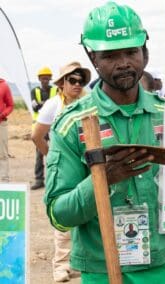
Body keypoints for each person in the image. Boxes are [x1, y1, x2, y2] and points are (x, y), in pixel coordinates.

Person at [43, 2, 165, 283]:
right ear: (92, 56)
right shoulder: (73, 124)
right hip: (102, 270)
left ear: (144, 50)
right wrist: (102, 179)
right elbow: (59, 214)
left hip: (164, 267)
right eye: (110, 55)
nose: (123, 63)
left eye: (131, 51)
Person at [32, 61, 90, 282]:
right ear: (62, 83)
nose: (77, 84)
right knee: (64, 213)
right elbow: (36, 136)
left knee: (87, 212)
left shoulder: (88, 102)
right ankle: (61, 265)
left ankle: (79, 263)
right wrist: (52, 158)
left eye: (81, 80)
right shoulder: (53, 105)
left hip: (86, 166)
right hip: (64, 170)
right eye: (72, 80)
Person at [31, 66, 58, 189]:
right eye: (43, 79)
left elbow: (57, 105)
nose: (45, 81)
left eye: (47, 79)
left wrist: (43, 104)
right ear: (39, 79)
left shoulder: (56, 90)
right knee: (39, 154)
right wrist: (48, 104)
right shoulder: (34, 91)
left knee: (55, 153)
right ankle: (39, 179)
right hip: (39, 127)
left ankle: (54, 179)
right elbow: (35, 107)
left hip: (53, 126)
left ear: (50, 79)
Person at [0, 78, 14, 182]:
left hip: (1, 123)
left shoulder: (4, 85)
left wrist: (2, 115)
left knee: (2, 153)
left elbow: (10, 105)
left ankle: (4, 180)